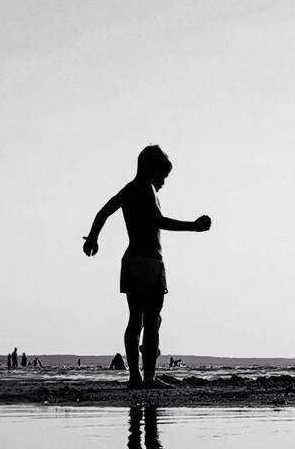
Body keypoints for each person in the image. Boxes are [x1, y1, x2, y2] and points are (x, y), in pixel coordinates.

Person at [84, 144, 212, 389]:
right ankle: (149, 377)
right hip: (150, 262)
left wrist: (93, 238)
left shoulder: (128, 190)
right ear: (151, 169)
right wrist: (193, 226)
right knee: (152, 320)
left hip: (131, 261)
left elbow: (103, 212)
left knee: (135, 320)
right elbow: (159, 221)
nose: (163, 182)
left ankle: (134, 376)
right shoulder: (147, 188)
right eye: (163, 175)